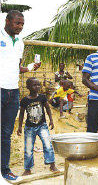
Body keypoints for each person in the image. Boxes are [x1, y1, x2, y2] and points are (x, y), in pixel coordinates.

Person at [0, 10, 41, 181]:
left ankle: (4, 170)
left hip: (13, 92)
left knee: (6, 134)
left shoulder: (20, 43)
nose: (20, 27)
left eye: (22, 24)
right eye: (17, 23)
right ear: (7, 21)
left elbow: (17, 67)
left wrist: (31, 67)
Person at [17, 77, 59, 176]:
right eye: (34, 85)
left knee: (48, 144)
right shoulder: (24, 100)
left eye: (38, 85)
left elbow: (48, 108)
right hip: (29, 128)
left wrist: (51, 120)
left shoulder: (42, 97)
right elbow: (22, 114)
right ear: (28, 87)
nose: (37, 87)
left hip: (42, 126)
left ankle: (52, 164)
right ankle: (28, 169)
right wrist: (19, 127)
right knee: (28, 148)